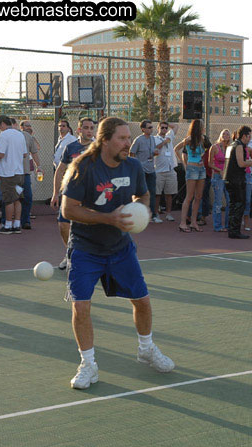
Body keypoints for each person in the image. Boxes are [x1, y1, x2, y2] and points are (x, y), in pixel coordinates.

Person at [60, 117, 174, 390]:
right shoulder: (83, 167)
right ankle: (88, 365)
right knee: (81, 306)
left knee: (142, 301)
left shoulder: (133, 166)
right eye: (122, 139)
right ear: (105, 140)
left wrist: (141, 212)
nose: (127, 143)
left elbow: (143, 196)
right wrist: (108, 218)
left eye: (128, 138)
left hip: (120, 248)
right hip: (86, 248)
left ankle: (146, 349)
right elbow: (69, 210)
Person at [52, 118, 96, 269]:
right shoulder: (70, 147)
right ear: (79, 130)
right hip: (70, 194)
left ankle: (91, 258)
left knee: (88, 229)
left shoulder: (98, 148)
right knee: (63, 226)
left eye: (91, 128)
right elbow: (59, 171)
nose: (89, 130)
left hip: (90, 195)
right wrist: (55, 193)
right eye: (86, 128)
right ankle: (69, 253)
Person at [0, 115, 26, 234]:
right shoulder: (20, 134)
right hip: (19, 172)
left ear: (3, 124)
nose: (0, 128)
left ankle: (8, 225)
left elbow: (0, 154)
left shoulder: (3, 135)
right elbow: (25, 154)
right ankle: (17, 224)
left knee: (9, 200)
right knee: (17, 199)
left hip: (8, 173)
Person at [223, 126, 252, 239]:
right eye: (249, 136)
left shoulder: (232, 145)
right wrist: (251, 163)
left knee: (234, 205)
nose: (249, 138)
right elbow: (241, 163)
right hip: (235, 180)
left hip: (230, 179)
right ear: (244, 136)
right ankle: (234, 231)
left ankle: (233, 230)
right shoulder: (238, 146)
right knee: (238, 205)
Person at [174, 119, 207, 233]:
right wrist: (185, 164)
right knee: (189, 196)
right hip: (192, 168)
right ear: (198, 127)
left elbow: (203, 152)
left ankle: (193, 222)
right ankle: (183, 223)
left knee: (198, 197)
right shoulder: (188, 139)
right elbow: (176, 149)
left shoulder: (202, 139)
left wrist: (201, 160)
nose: (204, 127)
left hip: (201, 169)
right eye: (203, 126)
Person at [130, 120, 161, 223]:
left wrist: (155, 153)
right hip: (141, 170)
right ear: (143, 129)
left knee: (152, 192)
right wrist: (135, 167)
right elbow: (132, 153)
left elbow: (153, 151)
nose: (151, 129)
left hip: (151, 169)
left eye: (152, 127)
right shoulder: (138, 140)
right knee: (140, 193)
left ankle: (152, 215)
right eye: (149, 127)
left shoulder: (153, 139)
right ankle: (138, 215)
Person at [19, 119, 43, 230]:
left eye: (30, 125)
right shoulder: (18, 136)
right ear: (21, 127)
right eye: (26, 125)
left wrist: (32, 137)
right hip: (17, 169)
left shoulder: (30, 138)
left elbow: (37, 148)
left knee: (29, 192)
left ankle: (26, 217)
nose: (29, 127)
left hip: (29, 167)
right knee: (18, 194)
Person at [154, 121, 179, 222]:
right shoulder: (154, 139)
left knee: (170, 193)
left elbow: (176, 126)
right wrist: (164, 142)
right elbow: (154, 149)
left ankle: (169, 213)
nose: (164, 129)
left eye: (166, 128)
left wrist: (166, 123)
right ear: (158, 128)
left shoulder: (169, 135)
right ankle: (156, 214)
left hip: (170, 170)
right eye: (162, 128)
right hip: (159, 171)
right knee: (157, 194)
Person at [208, 129, 231, 232]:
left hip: (228, 177)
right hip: (218, 177)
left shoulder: (231, 148)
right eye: (224, 134)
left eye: (228, 134)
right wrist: (219, 170)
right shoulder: (214, 147)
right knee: (218, 202)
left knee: (230, 201)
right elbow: (210, 163)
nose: (226, 135)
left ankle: (228, 225)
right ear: (220, 136)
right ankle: (217, 226)